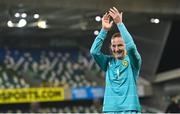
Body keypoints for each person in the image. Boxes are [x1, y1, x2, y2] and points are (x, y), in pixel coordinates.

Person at [90, 7, 142, 113]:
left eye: (120, 45)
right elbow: (94, 52)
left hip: (129, 109)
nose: (116, 49)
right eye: (114, 46)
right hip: (110, 109)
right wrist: (104, 30)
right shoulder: (108, 62)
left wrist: (120, 24)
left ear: (125, 46)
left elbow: (131, 47)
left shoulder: (133, 62)